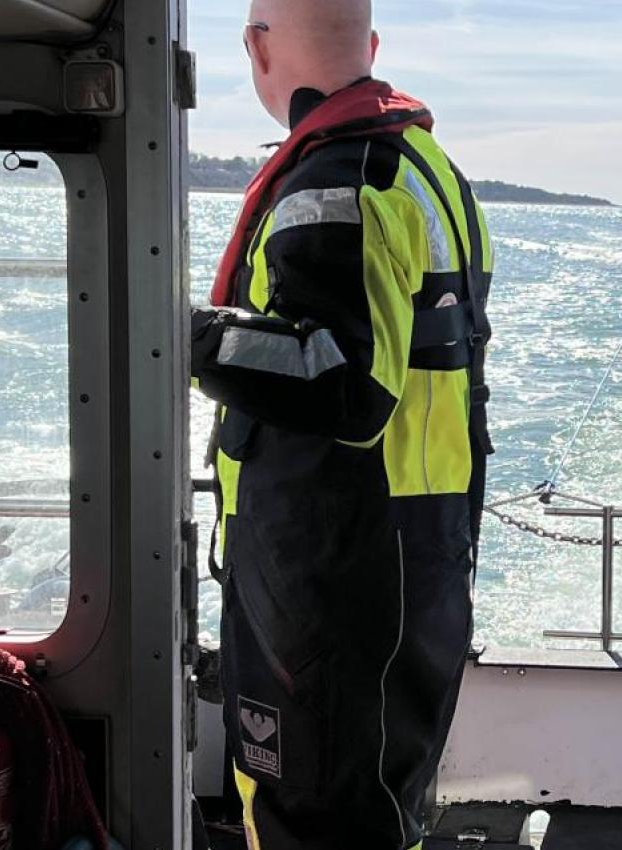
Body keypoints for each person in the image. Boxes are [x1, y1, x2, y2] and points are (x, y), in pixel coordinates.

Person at [190, 1, 493, 847]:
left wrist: (188, 337)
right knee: (378, 810)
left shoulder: (337, 179)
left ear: (256, 47)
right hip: (412, 548)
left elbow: (342, 383)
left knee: (311, 817)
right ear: (371, 46)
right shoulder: (426, 169)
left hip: (332, 568)